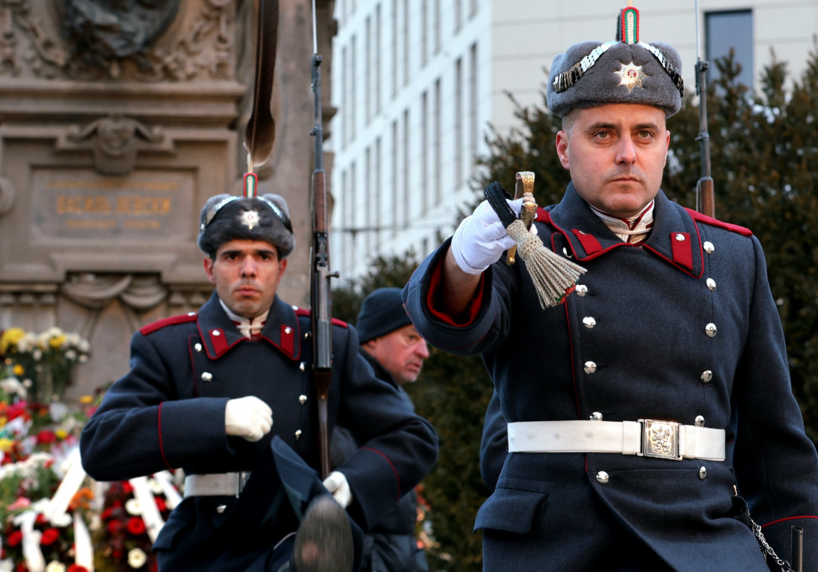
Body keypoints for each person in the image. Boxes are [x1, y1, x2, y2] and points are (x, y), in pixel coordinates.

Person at [402, 29, 818, 570]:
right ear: (563, 147)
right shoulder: (528, 245)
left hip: (703, 536)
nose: (627, 154)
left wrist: (799, 555)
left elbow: (774, 439)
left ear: (667, 146)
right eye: (603, 134)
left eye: (645, 134)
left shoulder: (732, 255)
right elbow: (455, 323)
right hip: (562, 539)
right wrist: (464, 260)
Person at [81, 193, 438, 572]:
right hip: (205, 545)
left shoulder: (326, 341)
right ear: (209, 267)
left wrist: (352, 482)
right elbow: (101, 443)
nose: (248, 269)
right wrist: (215, 418)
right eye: (233, 256)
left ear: (280, 270)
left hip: (299, 544)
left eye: (263, 257)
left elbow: (412, 435)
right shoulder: (169, 345)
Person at [328, 287, 430, 571]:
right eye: (411, 337)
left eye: (425, 338)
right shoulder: (342, 397)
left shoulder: (395, 396)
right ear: (372, 339)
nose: (425, 351)